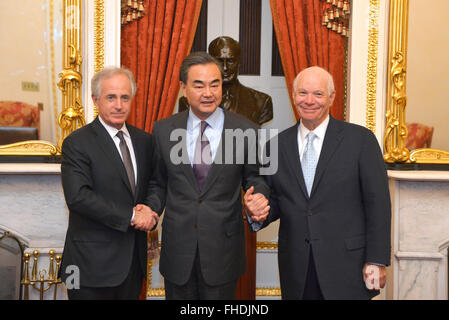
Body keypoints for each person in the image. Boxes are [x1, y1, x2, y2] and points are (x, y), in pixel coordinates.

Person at [245, 66, 391, 300]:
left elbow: (378, 205)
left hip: (348, 267)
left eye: (318, 94)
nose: (309, 101)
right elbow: (276, 201)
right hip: (297, 269)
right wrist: (257, 211)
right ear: (293, 96)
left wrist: (376, 259)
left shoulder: (360, 141)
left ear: (331, 97)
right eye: (302, 93)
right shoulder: (276, 146)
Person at [145, 52, 270, 299]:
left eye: (215, 84)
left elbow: (256, 178)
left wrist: (259, 198)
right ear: (183, 88)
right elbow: (158, 183)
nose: (208, 93)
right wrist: (150, 210)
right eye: (199, 85)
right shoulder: (163, 130)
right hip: (178, 252)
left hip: (223, 252)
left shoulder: (246, 130)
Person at [60, 67, 159, 299]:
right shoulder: (77, 143)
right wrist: (132, 216)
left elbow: (155, 183)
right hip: (90, 266)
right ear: (95, 100)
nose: (119, 105)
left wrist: (151, 210)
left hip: (133, 265)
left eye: (125, 97)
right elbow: (78, 197)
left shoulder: (145, 141)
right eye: (111, 97)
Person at [178, 36, 273, 126]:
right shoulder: (187, 101)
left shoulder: (261, 101)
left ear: (239, 62)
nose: (225, 67)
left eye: (230, 61)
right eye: (219, 61)